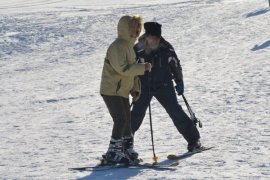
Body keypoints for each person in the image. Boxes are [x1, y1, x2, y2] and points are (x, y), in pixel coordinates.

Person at [130, 22, 201, 158]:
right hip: (143, 86)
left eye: (157, 38)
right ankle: (124, 144)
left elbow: (175, 63)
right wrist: (131, 86)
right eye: (152, 38)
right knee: (136, 114)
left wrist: (179, 80)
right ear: (147, 36)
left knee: (175, 111)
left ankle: (194, 140)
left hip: (164, 85)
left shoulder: (166, 48)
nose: (155, 41)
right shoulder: (138, 49)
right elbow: (131, 68)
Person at [100, 15, 152, 165]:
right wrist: (143, 68)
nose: (136, 31)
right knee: (120, 119)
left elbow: (132, 74)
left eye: (138, 28)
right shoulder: (117, 47)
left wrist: (135, 89)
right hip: (111, 90)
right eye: (133, 28)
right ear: (125, 29)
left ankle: (126, 149)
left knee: (127, 120)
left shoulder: (130, 48)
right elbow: (123, 69)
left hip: (121, 90)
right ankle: (113, 152)